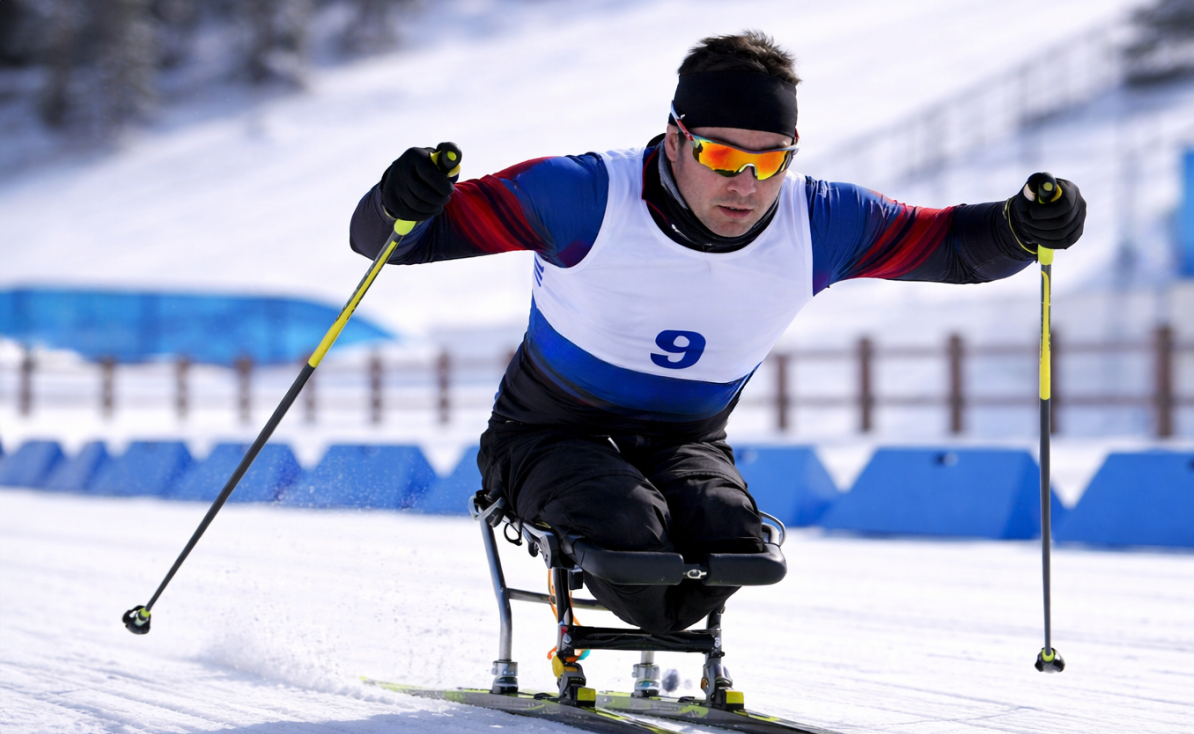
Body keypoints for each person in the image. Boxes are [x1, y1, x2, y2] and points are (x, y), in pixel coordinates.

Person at [349, 31, 1086, 638]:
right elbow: (392, 240)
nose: (745, 184)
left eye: (770, 161)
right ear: (675, 139)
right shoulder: (581, 196)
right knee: (628, 529)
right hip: (546, 431)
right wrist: (398, 200)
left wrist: (1026, 225)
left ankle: (662, 620)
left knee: (734, 543)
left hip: (685, 440)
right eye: (722, 156)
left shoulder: (819, 223)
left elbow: (955, 246)